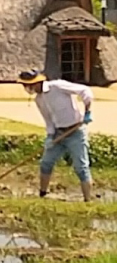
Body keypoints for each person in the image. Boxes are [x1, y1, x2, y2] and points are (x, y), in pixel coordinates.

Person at [17, 69, 94, 201]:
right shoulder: (39, 100)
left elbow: (85, 91)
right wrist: (50, 136)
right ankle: (42, 194)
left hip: (75, 131)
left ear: (36, 82)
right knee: (46, 163)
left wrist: (87, 112)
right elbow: (48, 120)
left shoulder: (57, 86)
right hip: (58, 133)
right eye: (25, 86)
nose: (27, 88)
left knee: (81, 167)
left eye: (28, 85)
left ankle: (88, 200)